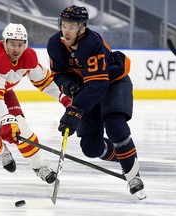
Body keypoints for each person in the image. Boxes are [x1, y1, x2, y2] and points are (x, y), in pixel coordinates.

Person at [47, 5, 146, 199]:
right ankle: (124, 154)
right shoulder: (54, 44)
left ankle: (134, 176)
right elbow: (57, 74)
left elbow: (98, 85)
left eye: (72, 27)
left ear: (82, 27)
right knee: (91, 148)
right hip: (87, 89)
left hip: (113, 83)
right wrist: (67, 84)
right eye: (64, 25)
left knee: (114, 123)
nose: (66, 31)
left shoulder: (92, 43)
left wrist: (74, 111)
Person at [0, 23, 71, 184]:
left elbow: (46, 81)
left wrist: (65, 98)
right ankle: (2, 152)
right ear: (4, 43)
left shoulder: (28, 58)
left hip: (3, 93)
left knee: (23, 130)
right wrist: (6, 120)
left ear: (26, 44)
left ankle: (40, 166)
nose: (17, 49)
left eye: (21, 44)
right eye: (12, 44)